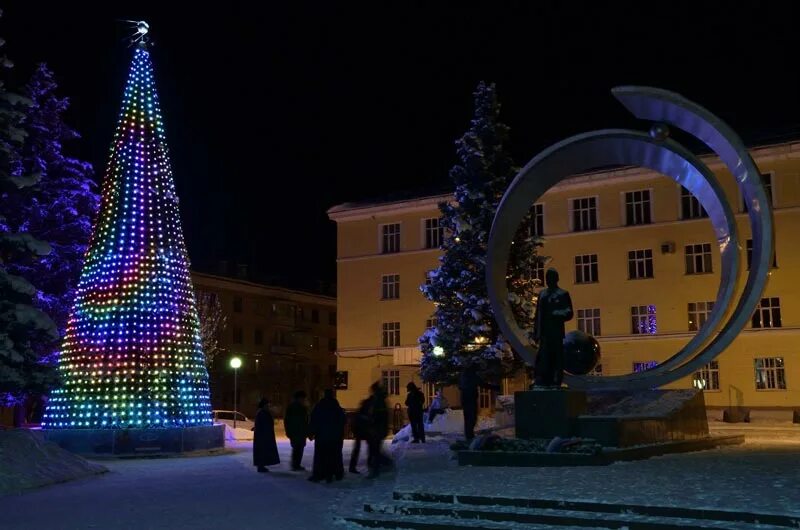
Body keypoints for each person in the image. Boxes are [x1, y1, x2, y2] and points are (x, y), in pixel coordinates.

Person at [532, 268, 574, 388]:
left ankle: (556, 381)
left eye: (551, 277)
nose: (548, 280)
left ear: (556, 279)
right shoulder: (542, 294)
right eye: (547, 278)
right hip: (544, 332)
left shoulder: (563, 294)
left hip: (556, 332)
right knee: (544, 357)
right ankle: (543, 381)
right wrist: (536, 331)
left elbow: (569, 312)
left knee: (557, 358)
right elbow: (538, 314)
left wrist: (557, 313)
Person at [308, 389, 346, 483]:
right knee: (334, 456)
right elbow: (342, 421)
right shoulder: (337, 407)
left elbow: (314, 420)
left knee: (321, 456)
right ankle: (336, 473)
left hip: (322, 437)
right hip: (335, 437)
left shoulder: (319, 406)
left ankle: (319, 474)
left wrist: (311, 432)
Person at [366, 381, 390, 479]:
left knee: (374, 450)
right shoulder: (379, 399)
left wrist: (372, 421)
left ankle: (376, 469)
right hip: (378, 429)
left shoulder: (378, 400)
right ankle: (384, 463)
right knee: (375, 450)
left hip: (377, 429)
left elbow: (379, 416)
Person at [284, 390, 309, 471]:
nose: (304, 400)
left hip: (298, 432)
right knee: (298, 448)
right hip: (297, 432)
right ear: (299, 398)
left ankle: (296, 464)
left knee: (298, 448)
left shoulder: (297, 407)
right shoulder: (298, 408)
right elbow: (288, 420)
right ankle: (296, 465)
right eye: (303, 398)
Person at [253, 397, 280, 473]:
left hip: (264, 435)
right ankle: (261, 466)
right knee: (262, 451)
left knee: (263, 451)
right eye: (267, 405)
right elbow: (264, 424)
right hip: (263, 436)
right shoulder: (262, 413)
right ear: (264, 405)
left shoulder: (263, 412)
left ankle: (261, 465)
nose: (268, 406)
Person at [348, 397, 372, 474]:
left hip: (360, 431)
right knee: (369, 448)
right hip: (363, 431)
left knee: (358, 449)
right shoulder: (366, 412)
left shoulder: (361, 412)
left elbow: (355, 423)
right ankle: (370, 465)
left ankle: (352, 466)